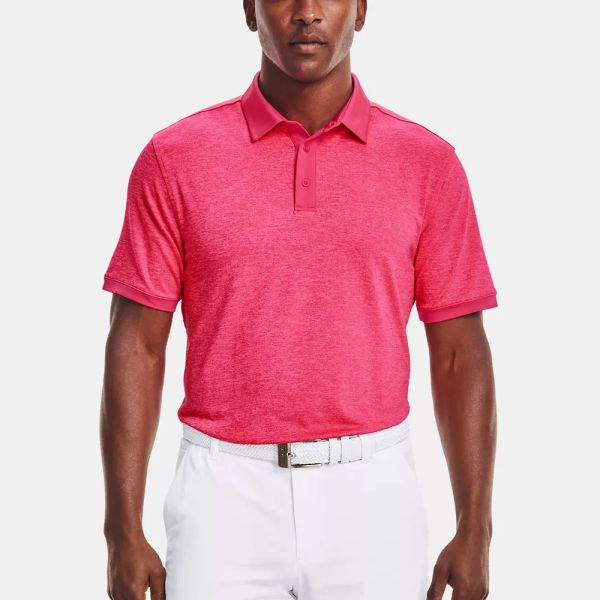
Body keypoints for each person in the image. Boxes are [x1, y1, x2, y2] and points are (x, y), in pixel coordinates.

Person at [100, 1, 498, 599]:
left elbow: (460, 355)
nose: (307, 12)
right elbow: (137, 346)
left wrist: (476, 528)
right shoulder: (175, 157)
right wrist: (121, 531)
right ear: (249, 10)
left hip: (372, 493)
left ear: (360, 11)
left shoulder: (427, 163)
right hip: (221, 493)